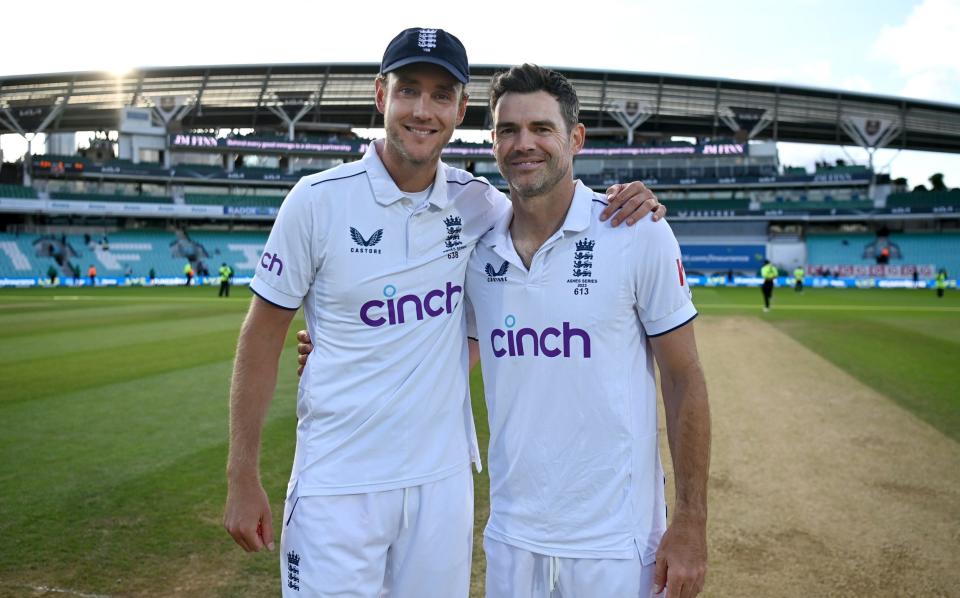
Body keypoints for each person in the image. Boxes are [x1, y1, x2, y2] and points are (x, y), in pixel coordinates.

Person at [222, 28, 665, 598]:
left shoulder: (479, 205)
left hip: (442, 485)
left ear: (460, 110)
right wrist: (241, 474)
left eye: (440, 95)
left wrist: (630, 202)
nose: (422, 110)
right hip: (338, 483)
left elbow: (548, 208)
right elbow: (260, 337)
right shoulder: (317, 200)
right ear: (381, 96)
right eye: (409, 90)